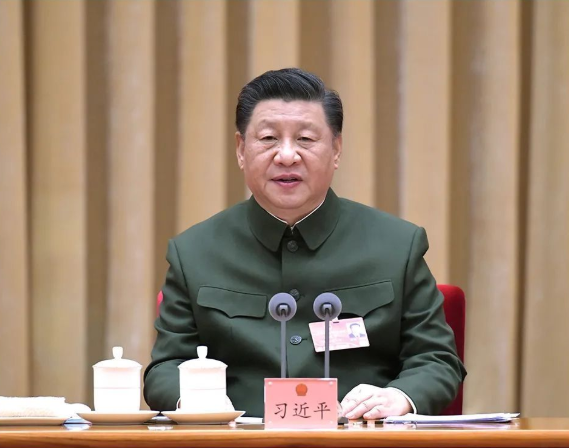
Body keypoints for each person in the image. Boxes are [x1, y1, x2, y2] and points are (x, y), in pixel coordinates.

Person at [144, 68, 466, 419]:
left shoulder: (397, 245)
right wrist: (194, 401)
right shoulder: (194, 252)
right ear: (241, 150)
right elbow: (165, 369)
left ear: (336, 149)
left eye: (306, 139)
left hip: (359, 439)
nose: (286, 156)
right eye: (268, 138)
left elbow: (437, 359)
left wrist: (399, 397)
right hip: (240, 440)